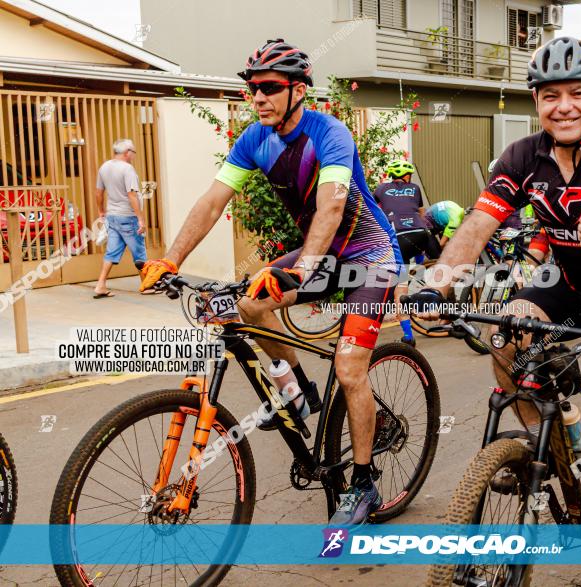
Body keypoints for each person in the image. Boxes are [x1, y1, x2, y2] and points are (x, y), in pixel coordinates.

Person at [412, 37, 581, 586]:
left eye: (577, 94)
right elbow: (477, 226)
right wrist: (436, 284)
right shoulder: (521, 157)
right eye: (550, 95)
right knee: (504, 334)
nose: (564, 106)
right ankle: (562, 442)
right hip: (570, 282)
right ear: (535, 101)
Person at [138, 39, 401, 526]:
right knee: (253, 305)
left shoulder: (330, 133)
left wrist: (300, 271)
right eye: (251, 89)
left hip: (370, 255)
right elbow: (213, 201)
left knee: (349, 369)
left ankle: (363, 483)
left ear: (299, 90)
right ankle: (300, 393)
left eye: (268, 88)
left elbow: (333, 207)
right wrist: (170, 259)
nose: (257, 97)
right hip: (318, 254)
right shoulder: (253, 140)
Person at [373, 159, 440, 345]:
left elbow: (372, 210)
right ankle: (422, 269)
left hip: (399, 239)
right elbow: (421, 213)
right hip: (421, 235)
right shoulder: (415, 188)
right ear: (406, 176)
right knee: (429, 259)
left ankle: (409, 337)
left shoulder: (381, 189)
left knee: (399, 291)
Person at [93, 138, 146, 298]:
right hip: (128, 216)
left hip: (113, 216)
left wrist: (101, 211)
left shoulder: (104, 167)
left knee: (111, 252)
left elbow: (98, 192)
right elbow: (132, 195)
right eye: (133, 152)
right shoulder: (127, 169)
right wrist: (140, 219)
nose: (134, 155)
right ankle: (146, 285)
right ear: (127, 152)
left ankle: (100, 285)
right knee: (139, 252)